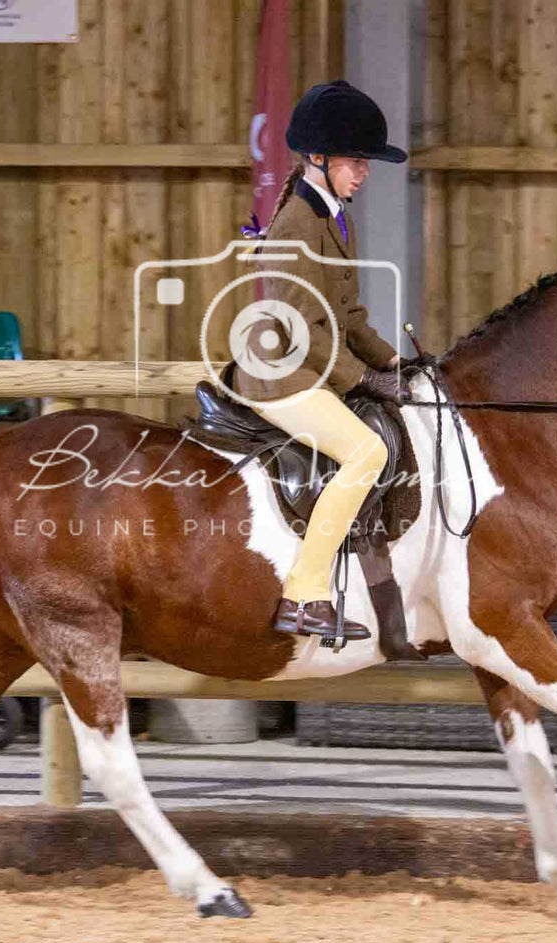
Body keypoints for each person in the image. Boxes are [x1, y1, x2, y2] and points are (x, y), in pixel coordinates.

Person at [229, 80, 416, 655]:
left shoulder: (335, 217)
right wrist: (361, 379)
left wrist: (391, 358)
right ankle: (304, 594)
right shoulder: (294, 226)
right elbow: (302, 328)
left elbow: (347, 312)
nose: (364, 172)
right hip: (279, 374)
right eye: (356, 161)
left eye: (366, 162)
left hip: (309, 362)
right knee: (367, 452)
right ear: (319, 157)